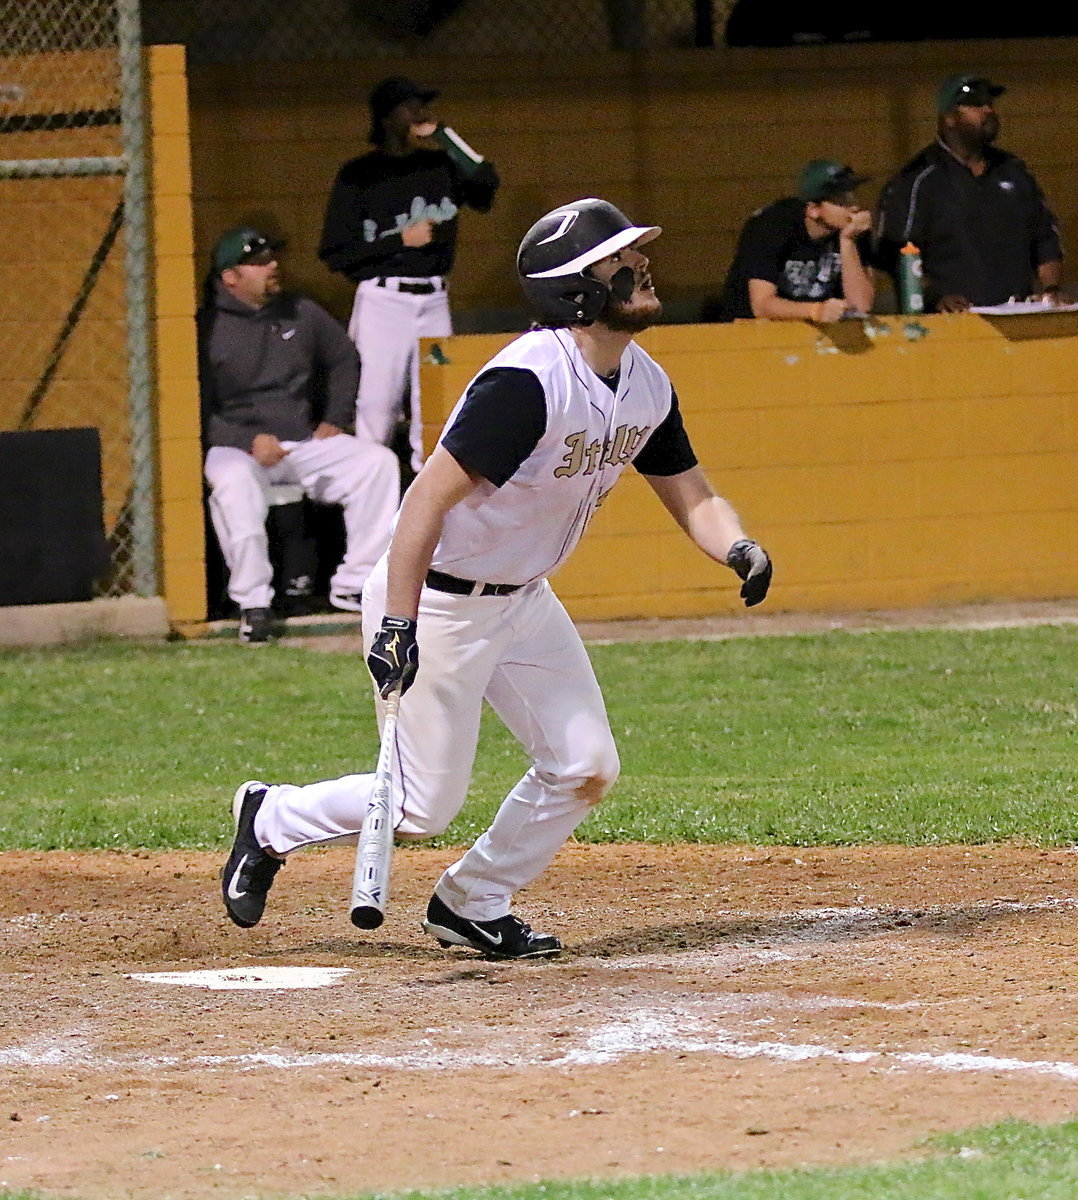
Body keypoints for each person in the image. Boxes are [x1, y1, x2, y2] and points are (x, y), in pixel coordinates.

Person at [221, 197, 774, 956]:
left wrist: (738, 546)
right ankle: (271, 818)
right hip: (439, 598)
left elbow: (693, 494)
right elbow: (422, 505)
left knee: (584, 766)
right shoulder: (526, 385)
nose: (642, 266)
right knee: (420, 807)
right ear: (576, 289)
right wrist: (396, 623)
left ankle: (471, 900)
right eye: (621, 260)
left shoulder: (643, 383)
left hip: (525, 600)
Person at [198, 226, 401, 644]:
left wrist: (335, 416)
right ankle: (253, 603)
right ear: (231, 277)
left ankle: (357, 584)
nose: (273, 266)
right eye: (259, 262)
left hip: (300, 443)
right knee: (234, 485)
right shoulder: (206, 325)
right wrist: (244, 440)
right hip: (235, 448)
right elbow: (193, 404)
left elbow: (344, 356)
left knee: (376, 464)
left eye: (273, 258)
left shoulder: (299, 311)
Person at [318, 76, 500, 474]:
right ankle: (372, 528)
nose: (419, 113)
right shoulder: (359, 174)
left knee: (436, 410)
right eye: (409, 106)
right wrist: (399, 241)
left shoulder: (439, 164)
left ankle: (428, 525)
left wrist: (446, 137)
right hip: (384, 300)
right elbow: (335, 252)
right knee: (375, 410)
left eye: (421, 104)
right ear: (386, 116)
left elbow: (486, 183)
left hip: (434, 300)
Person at [873, 73, 1065, 313]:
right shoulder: (917, 179)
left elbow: (1046, 237)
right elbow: (894, 253)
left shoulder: (1014, 170)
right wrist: (935, 296)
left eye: (989, 103)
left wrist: (1051, 289)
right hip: (945, 326)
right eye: (975, 104)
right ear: (949, 118)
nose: (988, 110)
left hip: (1015, 317)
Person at [714, 159, 874, 322]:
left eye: (853, 197)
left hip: (815, 333)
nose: (854, 207)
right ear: (813, 210)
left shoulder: (853, 232)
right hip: (752, 331)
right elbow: (761, 305)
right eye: (841, 202)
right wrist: (816, 311)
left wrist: (848, 241)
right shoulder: (772, 227)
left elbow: (861, 305)